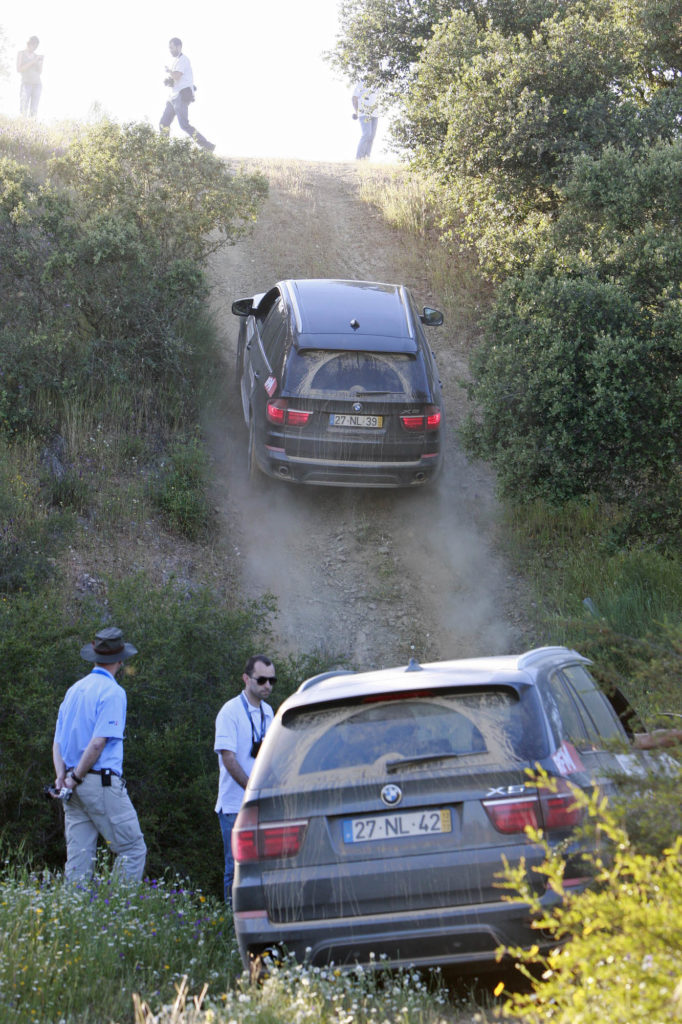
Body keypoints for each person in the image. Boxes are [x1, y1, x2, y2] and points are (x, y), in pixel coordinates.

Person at [51, 626, 147, 882]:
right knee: (132, 849)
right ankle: (118, 913)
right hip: (97, 781)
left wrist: (62, 777)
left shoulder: (73, 691)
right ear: (120, 659)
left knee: (79, 860)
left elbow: (57, 743)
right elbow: (97, 743)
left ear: (95, 657)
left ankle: (74, 916)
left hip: (72, 785)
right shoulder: (113, 692)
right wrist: (76, 778)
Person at [214, 654, 275, 903]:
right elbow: (228, 758)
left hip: (262, 804)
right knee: (236, 868)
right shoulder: (230, 711)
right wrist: (252, 789)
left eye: (272, 681)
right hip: (234, 806)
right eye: (261, 680)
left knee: (263, 867)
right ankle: (232, 924)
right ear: (246, 679)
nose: (267, 686)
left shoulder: (269, 712)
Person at [159, 37, 215, 152]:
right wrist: (169, 81)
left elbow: (177, 75)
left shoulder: (184, 60)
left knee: (184, 125)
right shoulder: (176, 61)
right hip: (172, 97)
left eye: (172, 47)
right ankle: (164, 149)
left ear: (179, 47)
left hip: (181, 96)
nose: (170, 50)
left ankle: (207, 146)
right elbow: (176, 79)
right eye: (169, 48)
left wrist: (169, 72)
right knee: (163, 123)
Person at [17, 36, 43, 118]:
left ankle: (31, 126)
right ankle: (22, 125)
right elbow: (19, 69)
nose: (35, 48)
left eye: (36, 46)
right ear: (29, 44)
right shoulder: (21, 53)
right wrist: (33, 62)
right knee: (23, 107)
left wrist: (40, 62)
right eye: (33, 45)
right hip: (26, 83)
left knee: (34, 110)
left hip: (37, 84)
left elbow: (40, 71)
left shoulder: (36, 56)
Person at [352, 80, 379, 160]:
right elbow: (354, 97)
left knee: (371, 137)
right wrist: (356, 112)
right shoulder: (362, 83)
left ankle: (366, 159)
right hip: (364, 113)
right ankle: (359, 158)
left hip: (375, 114)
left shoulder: (377, 84)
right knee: (367, 134)